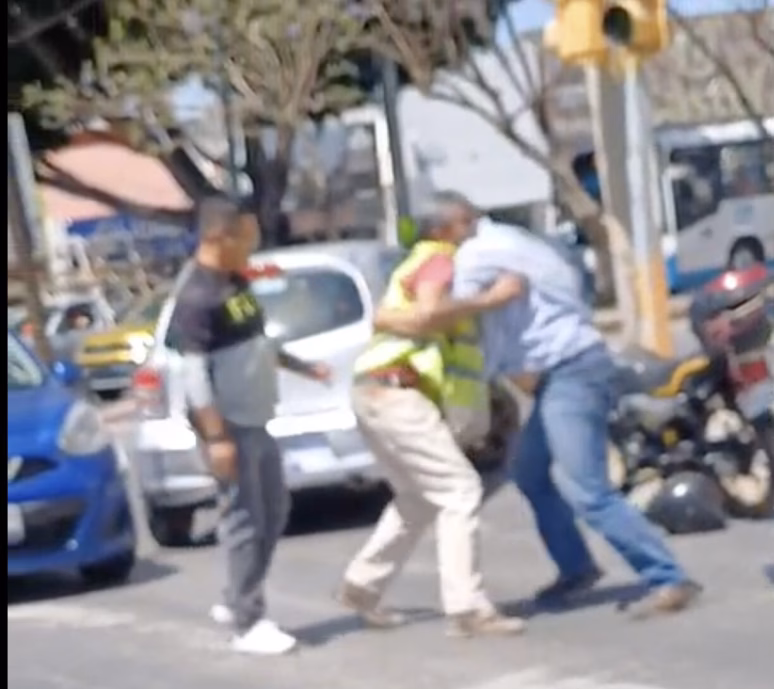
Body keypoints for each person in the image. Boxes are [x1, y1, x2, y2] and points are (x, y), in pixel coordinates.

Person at [377, 192, 701, 617]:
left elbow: (439, 313)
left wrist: (388, 319)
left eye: (435, 234)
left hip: (570, 369)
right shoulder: (514, 238)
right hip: (565, 369)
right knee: (529, 471)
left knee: (587, 489)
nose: (435, 245)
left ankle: (668, 577)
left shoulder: (477, 255)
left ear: (451, 226)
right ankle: (577, 567)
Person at [336, 201, 526, 637]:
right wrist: (491, 299)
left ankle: (362, 586)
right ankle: (467, 608)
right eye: (467, 223)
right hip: (398, 392)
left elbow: (400, 318)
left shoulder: (415, 262)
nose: (474, 230)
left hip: (376, 390)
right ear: (444, 228)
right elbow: (426, 313)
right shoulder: (440, 259)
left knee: (418, 497)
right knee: (460, 490)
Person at [169, 195, 331, 655]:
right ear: (219, 237)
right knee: (244, 519)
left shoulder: (234, 281)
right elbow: (195, 376)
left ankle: (236, 595)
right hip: (230, 425)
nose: (254, 244)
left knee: (274, 511)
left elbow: (256, 343)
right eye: (248, 236)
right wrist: (217, 438)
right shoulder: (197, 296)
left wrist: (303, 367)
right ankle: (247, 621)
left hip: (257, 419)